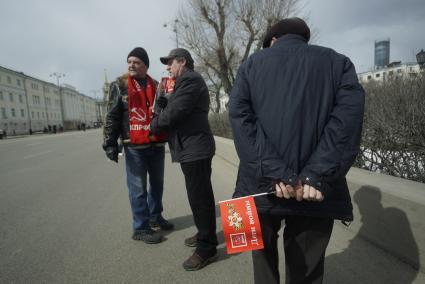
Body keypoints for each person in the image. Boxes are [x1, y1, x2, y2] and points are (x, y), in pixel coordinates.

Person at [229, 18, 365, 284]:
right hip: (315, 191)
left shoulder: (252, 64)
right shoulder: (339, 63)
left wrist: (275, 173)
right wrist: (316, 174)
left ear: (273, 40)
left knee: (262, 260)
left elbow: (241, 119)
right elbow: (346, 123)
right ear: (304, 38)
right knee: (306, 270)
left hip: (258, 183)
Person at [150, 48, 218, 271]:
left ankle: (207, 248)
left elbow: (177, 111)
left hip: (195, 148)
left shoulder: (190, 79)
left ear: (182, 62)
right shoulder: (185, 82)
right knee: (199, 196)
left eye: (170, 63)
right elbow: (174, 106)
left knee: (199, 197)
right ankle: (203, 231)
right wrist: (163, 105)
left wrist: (156, 121)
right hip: (192, 147)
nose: (168, 67)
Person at [103, 47, 174, 244]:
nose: (131, 65)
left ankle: (155, 216)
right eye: (129, 62)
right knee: (138, 189)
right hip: (134, 146)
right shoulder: (119, 85)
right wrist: (109, 143)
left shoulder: (157, 84)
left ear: (145, 66)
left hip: (156, 143)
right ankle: (140, 228)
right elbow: (112, 115)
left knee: (157, 185)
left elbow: (164, 111)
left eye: (136, 62)